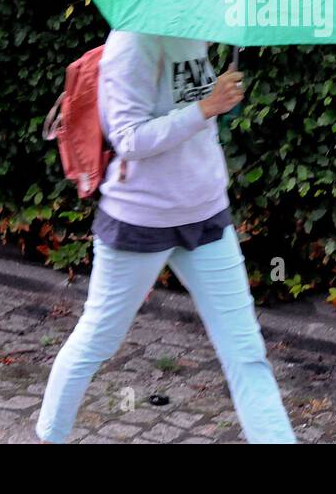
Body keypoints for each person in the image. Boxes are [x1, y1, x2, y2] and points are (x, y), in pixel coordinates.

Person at [36, 30, 297, 444]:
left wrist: (216, 104)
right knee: (97, 341)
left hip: (206, 213)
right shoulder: (130, 43)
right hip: (140, 218)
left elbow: (189, 118)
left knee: (246, 353)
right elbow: (128, 138)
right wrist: (207, 106)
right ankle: (51, 436)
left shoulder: (198, 34)